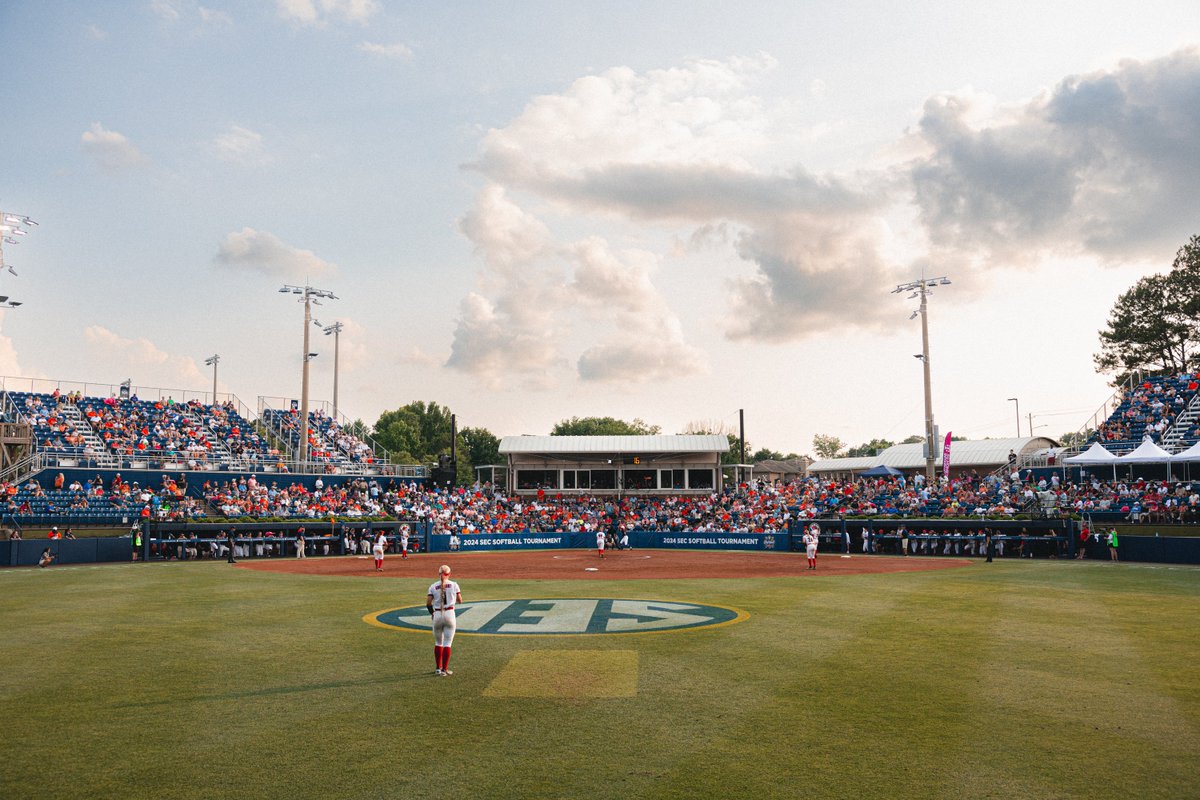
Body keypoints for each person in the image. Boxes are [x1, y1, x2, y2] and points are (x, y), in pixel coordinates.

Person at [426, 565, 462, 677]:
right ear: (449, 574)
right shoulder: (454, 585)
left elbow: (428, 603)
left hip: (437, 614)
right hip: (449, 614)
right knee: (447, 643)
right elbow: (460, 600)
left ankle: (438, 668)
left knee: (438, 643)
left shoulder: (433, 586)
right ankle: (445, 670)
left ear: (439, 574)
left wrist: (432, 612)